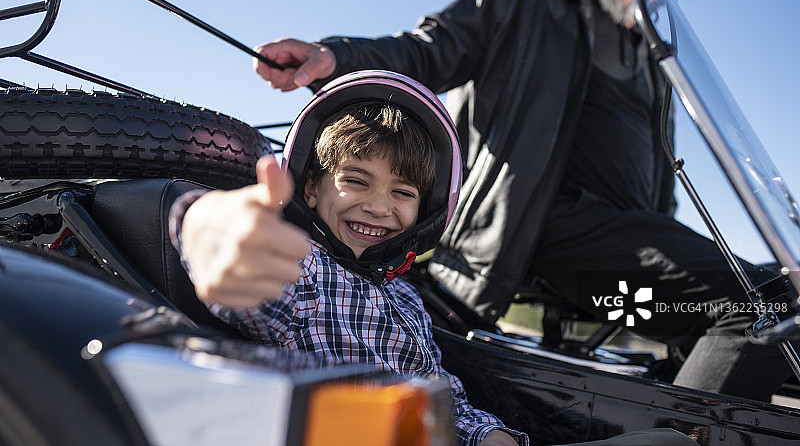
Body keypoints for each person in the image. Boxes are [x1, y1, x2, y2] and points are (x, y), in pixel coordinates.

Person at [248, 0, 793, 402]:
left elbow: (659, 183)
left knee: (758, 299)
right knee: (768, 303)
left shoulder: (655, 66)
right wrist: (337, 55)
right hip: (529, 235)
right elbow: (426, 50)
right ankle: (675, 441)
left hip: (617, 260)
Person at [170, 70, 699, 446]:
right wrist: (205, 226)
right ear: (310, 186)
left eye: (403, 193)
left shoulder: (405, 298)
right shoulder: (298, 267)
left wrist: (490, 436)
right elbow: (218, 252)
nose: (379, 206)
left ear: (424, 210)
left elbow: (440, 397)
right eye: (356, 180)